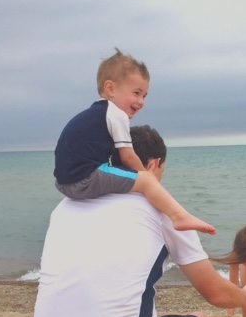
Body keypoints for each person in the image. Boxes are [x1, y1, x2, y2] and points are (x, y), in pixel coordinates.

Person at [32, 125, 246, 317]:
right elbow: (215, 293)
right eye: (163, 171)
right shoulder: (165, 212)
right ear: (155, 164)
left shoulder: (65, 205)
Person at [54, 48, 214, 235]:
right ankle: (179, 216)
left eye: (144, 96)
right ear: (110, 88)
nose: (141, 102)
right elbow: (128, 157)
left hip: (64, 183)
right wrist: (149, 182)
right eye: (136, 93)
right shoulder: (116, 115)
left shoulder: (95, 114)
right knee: (146, 180)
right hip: (84, 180)